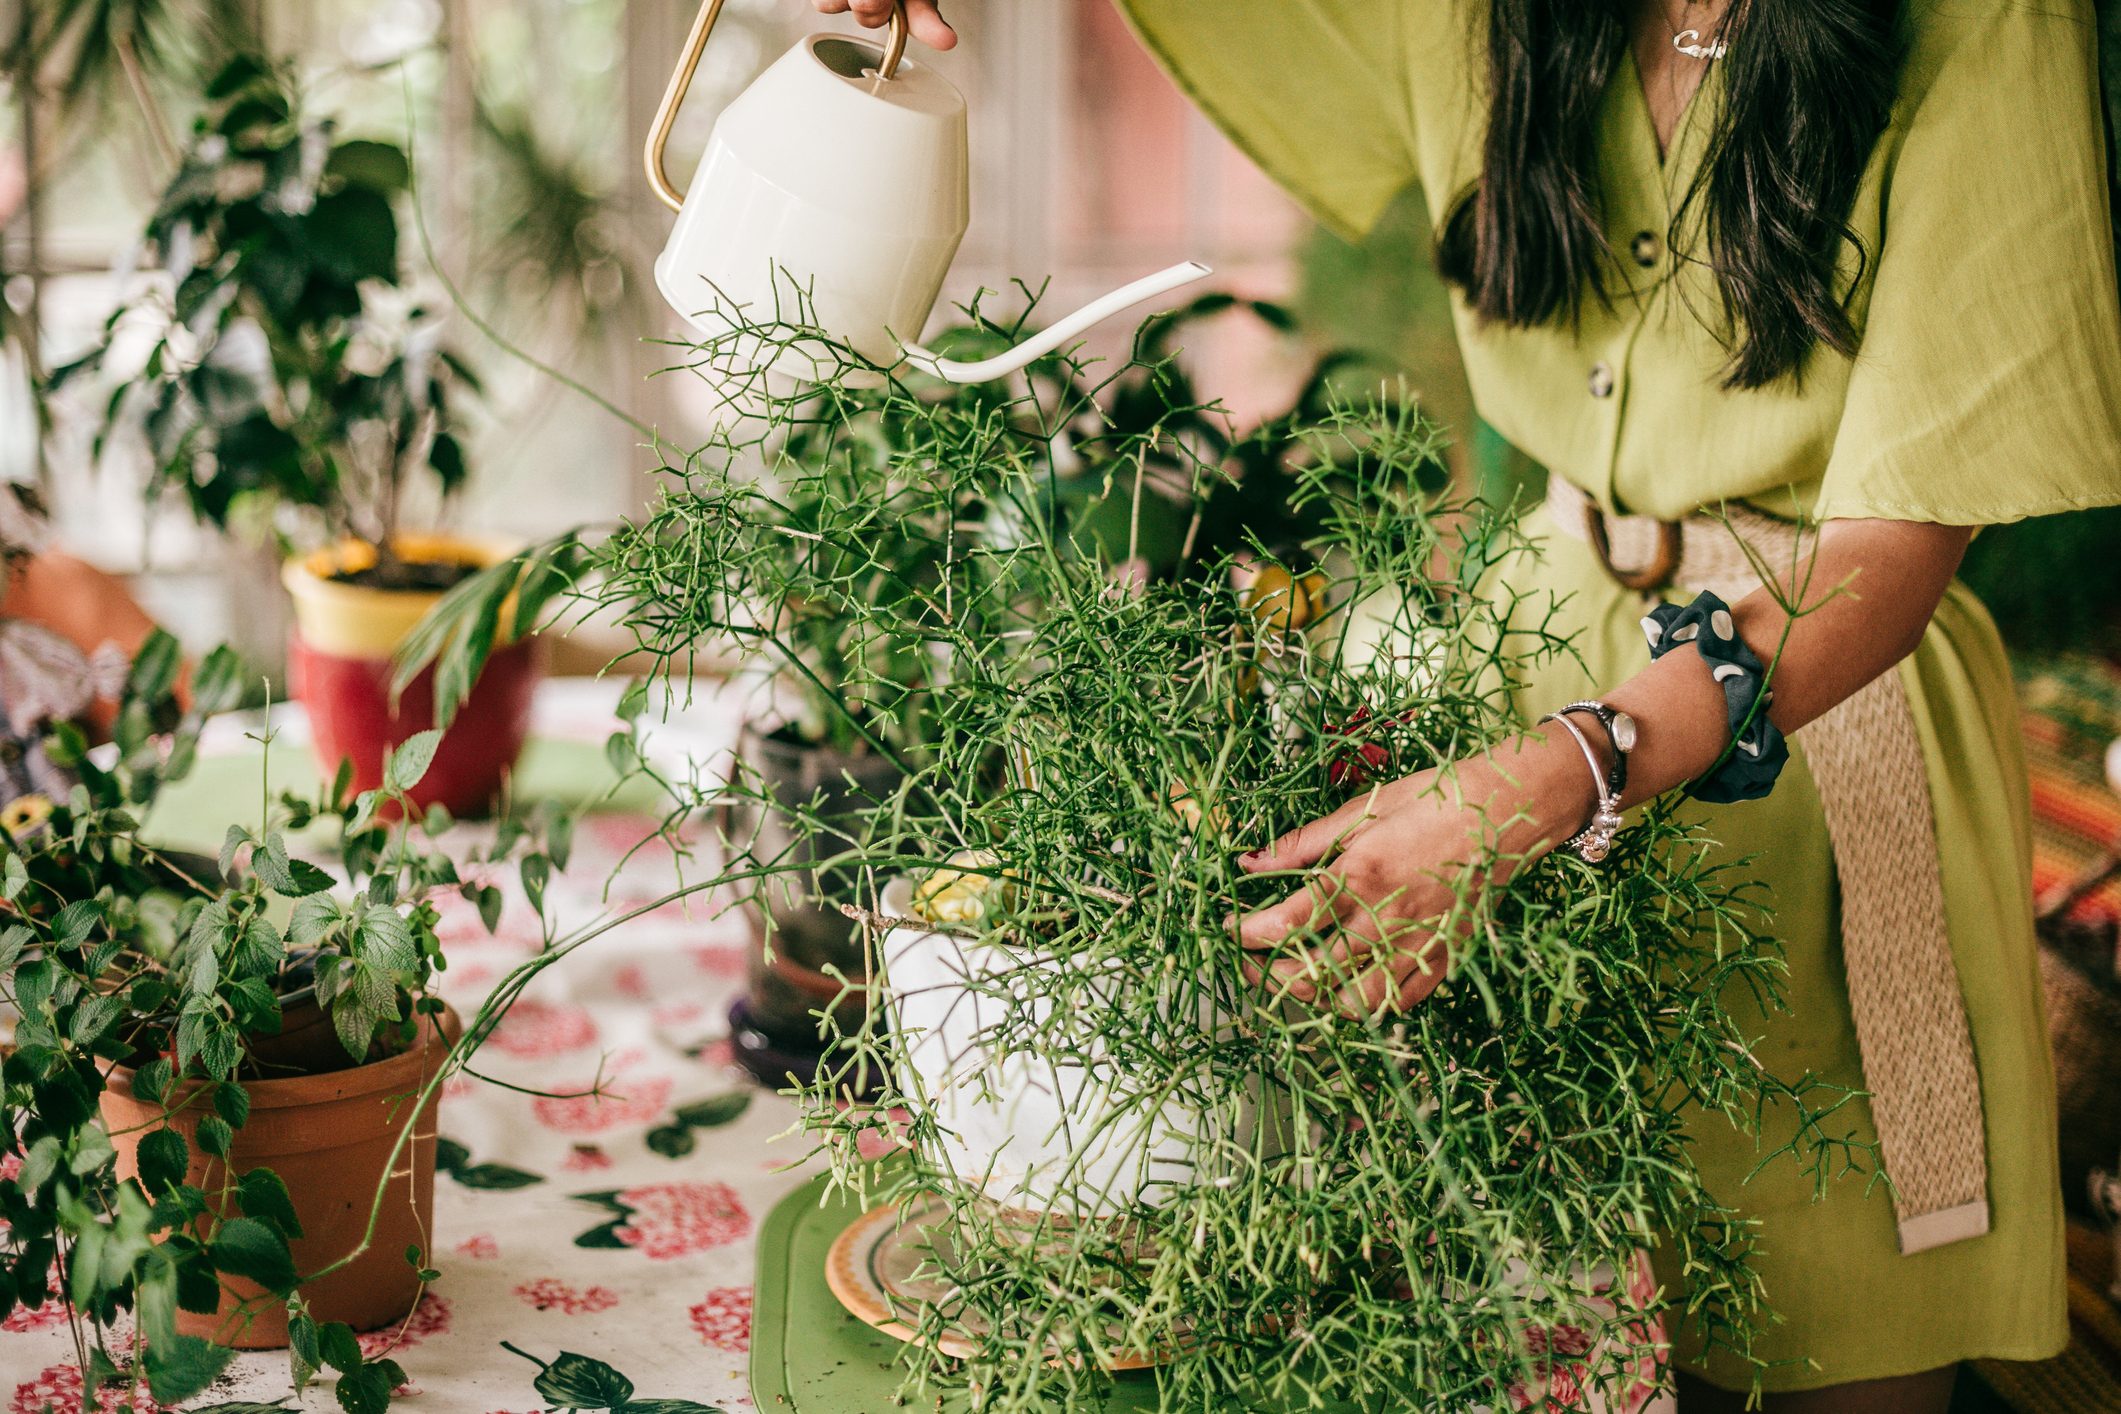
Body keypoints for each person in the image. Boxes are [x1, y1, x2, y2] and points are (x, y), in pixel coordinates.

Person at [820, 1, 2121, 1409]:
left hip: (1813, 739)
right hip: (1510, 674)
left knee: (1817, 1324)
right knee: (1448, 1306)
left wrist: (1554, 776)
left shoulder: (1983, 18)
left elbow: (1893, 552)